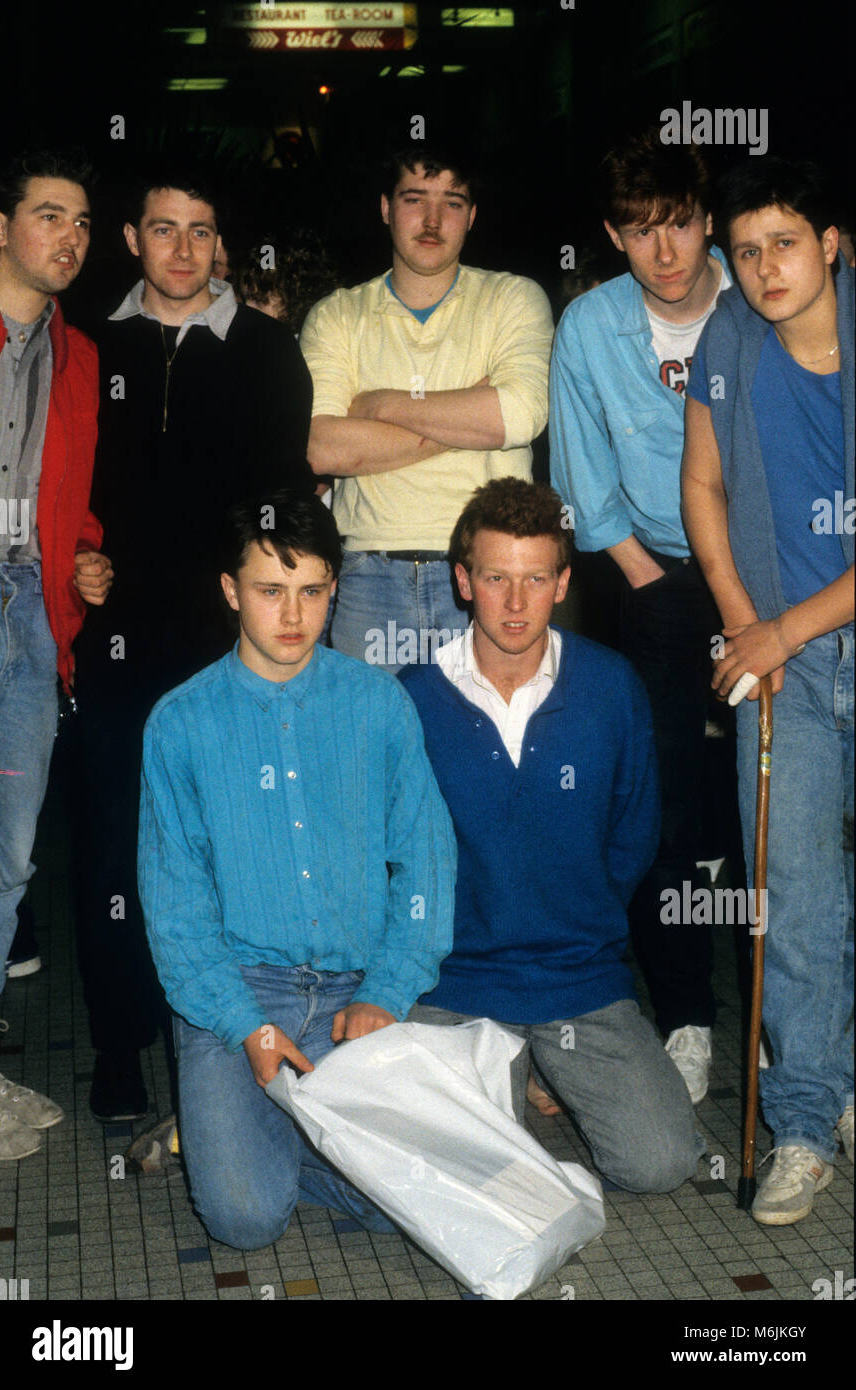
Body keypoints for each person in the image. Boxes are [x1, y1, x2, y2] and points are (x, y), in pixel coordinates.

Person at [137, 491, 456, 1248]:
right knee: (246, 1219)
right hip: (241, 994)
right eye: (269, 591)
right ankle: (245, 1127)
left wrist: (386, 990)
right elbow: (176, 908)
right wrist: (244, 1026)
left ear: (335, 590)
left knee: (420, 1204)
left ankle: (261, 1132)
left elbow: (427, 859)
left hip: (357, 988)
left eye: (312, 591)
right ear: (229, 590)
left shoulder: (378, 704)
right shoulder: (181, 722)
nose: (292, 616)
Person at [74, 167, 314, 1121]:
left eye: (201, 231)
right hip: (118, 635)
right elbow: (68, 483)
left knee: (235, 842)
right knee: (113, 843)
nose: (183, 248)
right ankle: (122, 1042)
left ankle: (225, 1034)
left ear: (223, 243)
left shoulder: (265, 350)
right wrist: (83, 555)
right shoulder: (91, 341)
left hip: (229, 640)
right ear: (131, 238)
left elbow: (285, 499)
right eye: (163, 229)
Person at [401, 477, 703, 1193]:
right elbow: (392, 859)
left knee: (662, 1163)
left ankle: (546, 1061)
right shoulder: (412, 698)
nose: (515, 602)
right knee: (466, 1173)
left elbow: (634, 834)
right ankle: (515, 1069)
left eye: (535, 579)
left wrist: (581, 920)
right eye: (496, 577)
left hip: (578, 976)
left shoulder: (610, 686)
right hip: (457, 983)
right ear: (463, 580)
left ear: (563, 581)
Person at [549, 128, 739, 1103]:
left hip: (770, 578)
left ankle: (795, 1029)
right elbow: (579, 479)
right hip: (654, 574)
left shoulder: (756, 301)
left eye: (677, 225)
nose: (663, 253)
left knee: (775, 803)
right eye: (637, 232)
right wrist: (651, 583)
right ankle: (685, 1015)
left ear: (707, 221)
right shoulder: (589, 327)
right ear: (612, 239)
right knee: (663, 801)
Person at [682, 157, 854, 1224]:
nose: (761, 268)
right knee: (789, 892)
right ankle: (802, 1117)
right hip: (780, 655)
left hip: (809, 631)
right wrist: (747, 619)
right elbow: (701, 484)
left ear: (830, 241)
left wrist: (780, 626)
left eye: (783, 243)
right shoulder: (729, 341)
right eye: (742, 251)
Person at [300, 143, 553, 672]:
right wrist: (470, 417)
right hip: (369, 572)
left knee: (482, 749)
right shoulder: (337, 316)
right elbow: (323, 447)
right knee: (371, 752)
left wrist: (378, 405)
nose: (434, 219)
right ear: (387, 208)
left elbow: (521, 414)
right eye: (415, 199)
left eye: (454, 202)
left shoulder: (513, 298)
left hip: (492, 569)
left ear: (473, 215)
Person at [0, 148, 112, 1160]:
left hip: (28, 614)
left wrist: (86, 552)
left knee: (6, 858)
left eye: (80, 220)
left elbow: (68, 492)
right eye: (48, 215)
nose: (69, 235)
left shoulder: (77, 356)